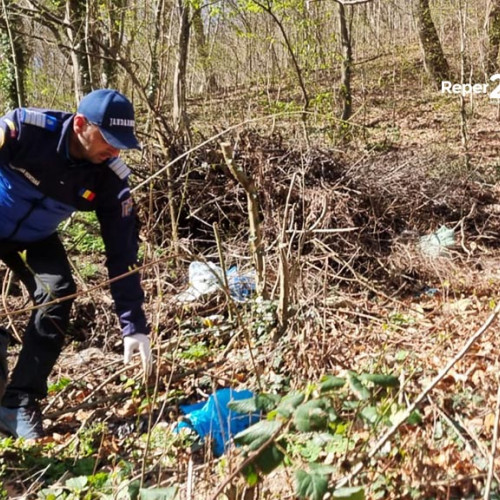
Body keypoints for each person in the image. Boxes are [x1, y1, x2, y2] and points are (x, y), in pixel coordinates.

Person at [0, 89, 152, 439]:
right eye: (108, 140)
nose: (115, 150)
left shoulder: (109, 178)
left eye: (121, 143)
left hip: (36, 237)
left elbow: (122, 254)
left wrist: (134, 326)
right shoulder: (26, 129)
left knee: (59, 291)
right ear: (81, 124)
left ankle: (19, 401)